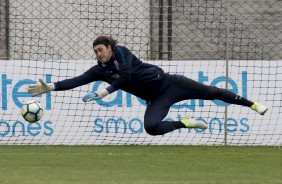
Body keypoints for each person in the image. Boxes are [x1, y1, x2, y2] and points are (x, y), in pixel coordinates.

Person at [27, 36, 268, 136]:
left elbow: (126, 76)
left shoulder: (122, 53)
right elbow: (77, 80)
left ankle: (253, 104)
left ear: (110, 48)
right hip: (157, 98)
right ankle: (184, 122)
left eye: (100, 50)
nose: (98, 54)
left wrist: (104, 91)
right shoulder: (99, 69)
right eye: (95, 52)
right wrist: (52, 86)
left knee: (213, 92)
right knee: (151, 128)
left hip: (172, 84)